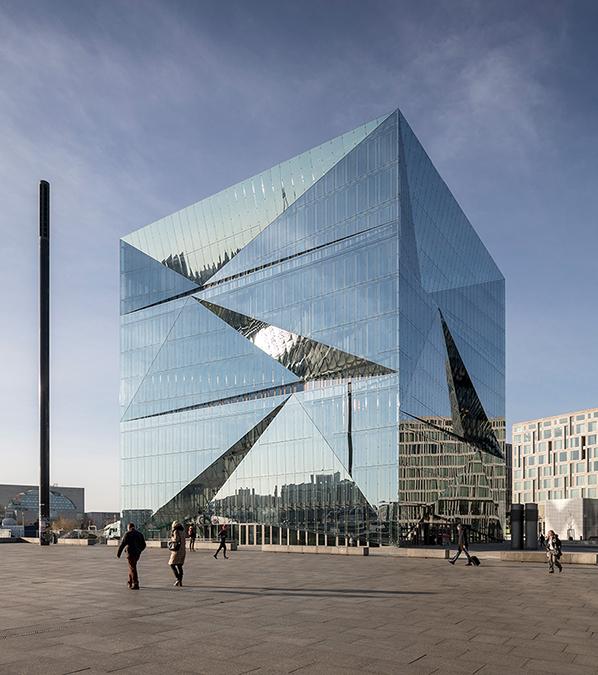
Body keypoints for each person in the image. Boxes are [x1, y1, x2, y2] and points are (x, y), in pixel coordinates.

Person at [117, 522, 146, 590]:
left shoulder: (128, 534)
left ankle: (136, 583)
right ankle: (130, 582)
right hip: (137, 554)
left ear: (129, 527)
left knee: (133, 568)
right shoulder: (139, 534)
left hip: (130, 553)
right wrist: (139, 550)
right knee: (132, 566)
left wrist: (118, 553)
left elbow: (122, 544)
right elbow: (144, 545)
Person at [169, 521, 186, 586]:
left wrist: (171, 538)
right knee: (179, 566)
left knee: (172, 564)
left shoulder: (176, 531)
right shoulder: (183, 531)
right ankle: (180, 581)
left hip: (177, 551)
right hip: (183, 550)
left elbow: (176, 540)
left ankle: (178, 579)